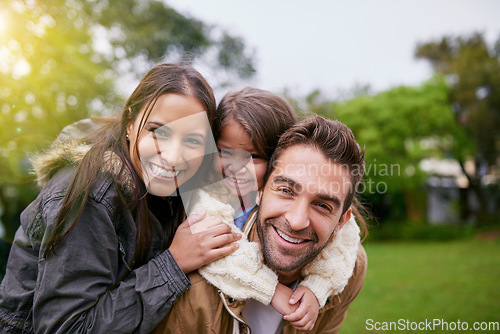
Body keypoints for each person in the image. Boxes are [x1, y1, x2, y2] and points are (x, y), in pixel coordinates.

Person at [0, 63, 241, 333]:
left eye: (193, 141)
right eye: (159, 131)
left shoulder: (173, 191)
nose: (173, 156)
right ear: (130, 124)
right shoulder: (90, 195)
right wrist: (173, 265)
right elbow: (66, 328)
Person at [155, 115, 368, 334]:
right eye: (286, 191)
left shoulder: (349, 269)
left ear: (342, 221)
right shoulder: (196, 275)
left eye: (322, 205)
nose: (296, 221)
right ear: (260, 191)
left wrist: (319, 288)